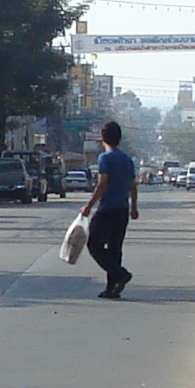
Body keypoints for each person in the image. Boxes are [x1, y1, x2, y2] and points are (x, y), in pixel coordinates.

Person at [82, 119, 139, 299]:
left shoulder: (105, 158)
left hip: (107, 209)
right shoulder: (127, 160)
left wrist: (89, 206)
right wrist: (134, 207)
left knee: (94, 245)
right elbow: (133, 185)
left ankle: (120, 274)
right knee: (115, 248)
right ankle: (112, 287)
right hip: (122, 209)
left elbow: (102, 184)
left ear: (103, 139)